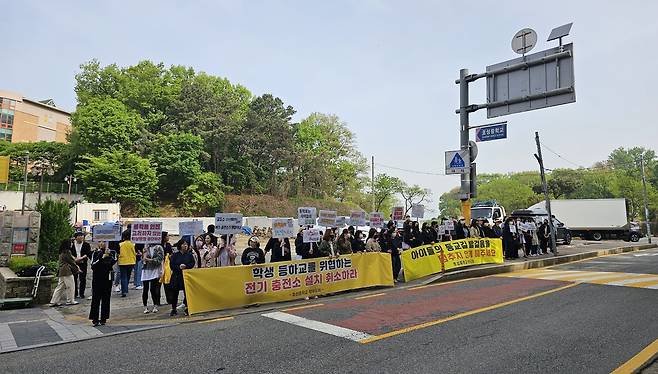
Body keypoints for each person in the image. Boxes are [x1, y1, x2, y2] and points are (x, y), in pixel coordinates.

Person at [89, 241, 116, 326]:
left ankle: (104, 318)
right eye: (100, 241)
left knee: (106, 299)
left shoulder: (112, 252)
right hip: (97, 278)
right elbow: (93, 265)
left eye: (104, 241)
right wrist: (101, 257)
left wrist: (109, 255)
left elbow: (113, 262)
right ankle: (95, 318)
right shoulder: (95, 253)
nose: (102, 243)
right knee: (96, 299)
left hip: (107, 279)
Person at [49, 240, 80, 306]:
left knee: (60, 286)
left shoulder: (61, 251)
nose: (72, 244)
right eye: (71, 243)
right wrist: (77, 268)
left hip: (61, 270)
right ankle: (70, 300)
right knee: (71, 286)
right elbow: (71, 261)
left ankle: (54, 301)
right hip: (66, 271)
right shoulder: (67, 252)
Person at [169, 239, 195, 316]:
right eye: (183, 244)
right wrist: (179, 267)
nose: (185, 246)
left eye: (186, 244)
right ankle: (173, 309)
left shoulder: (189, 255)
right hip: (176, 276)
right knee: (174, 293)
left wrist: (186, 266)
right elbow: (172, 265)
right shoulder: (175, 255)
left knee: (186, 293)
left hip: (186, 276)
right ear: (180, 245)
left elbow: (192, 263)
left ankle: (187, 308)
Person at [141, 241, 164, 314]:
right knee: (145, 289)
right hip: (145, 270)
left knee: (153, 289)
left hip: (154, 270)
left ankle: (155, 305)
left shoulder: (158, 248)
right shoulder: (146, 248)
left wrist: (149, 260)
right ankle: (145, 306)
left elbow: (159, 260)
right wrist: (143, 254)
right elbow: (143, 261)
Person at [69, 232, 92, 299]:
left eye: (82, 237)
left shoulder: (86, 244)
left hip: (83, 262)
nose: (81, 238)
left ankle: (82, 293)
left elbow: (88, 253)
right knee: (74, 278)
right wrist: (75, 258)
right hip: (74, 263)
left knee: (82, 278)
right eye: (79, 237)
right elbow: (69, 253)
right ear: (75, 238)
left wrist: (81, 258)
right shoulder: (72, 244)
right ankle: (75, 293)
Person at [117, 230, 136, 298]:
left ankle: (124, 291)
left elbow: (118, 253)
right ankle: (125, 288)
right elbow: (135, 252)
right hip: (131, 261)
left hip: (122, 262)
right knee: (128, 276)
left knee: (123, 277)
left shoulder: (120, 244)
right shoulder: (132, 244)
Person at [161, 232, 176, 307]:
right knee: (158, 284)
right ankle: (157, 301)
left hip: (167, 266)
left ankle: (169, 299)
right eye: (167, 236)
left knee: (168, 283)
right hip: (160, 266)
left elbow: (171, 254)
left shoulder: (168, 245)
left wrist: (169, 256)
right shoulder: (159, 245)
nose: (168, 237)